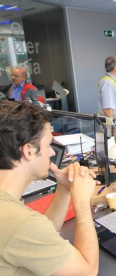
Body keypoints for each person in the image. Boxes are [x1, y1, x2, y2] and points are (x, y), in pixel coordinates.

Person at [0, 101, 99, 275]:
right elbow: (87, 272)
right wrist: (82, 202)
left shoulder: (9, 207)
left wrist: (65, 187)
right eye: (48, 145)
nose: (52, 153)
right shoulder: (18, 221)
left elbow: (40, 235)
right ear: (29, 151)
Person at [97, 55, 116, 144]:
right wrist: (114, 131)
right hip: (112, 128)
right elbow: (108, 110)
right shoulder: (108, 83)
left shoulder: (113, 82)